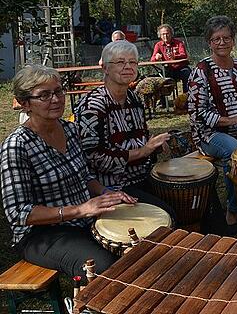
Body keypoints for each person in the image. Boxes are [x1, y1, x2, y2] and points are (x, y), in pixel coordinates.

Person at [1, 65, 137, 278]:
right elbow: (18, 213)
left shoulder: (69, 129)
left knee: (140, 247)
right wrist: (80, 210)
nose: (55, 99)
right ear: (25, 103)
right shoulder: (17, 145)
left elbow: (84, 176)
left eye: (58, 91)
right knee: (103, 267)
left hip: (83, 219)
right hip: (43, 234)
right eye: (44, 95)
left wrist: (105, 193)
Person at [187, 16, 237, 229]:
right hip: (210, 134)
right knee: (234, 152)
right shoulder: (201, 70)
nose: (222, 42)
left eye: (226, 38)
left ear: (233, 41)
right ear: (209, 42)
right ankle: (234, 209)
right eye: (216, 39)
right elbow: (196, 112)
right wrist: (228, 120)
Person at [75, 41, 174, 217]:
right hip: (112, 185)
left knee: (192, 191)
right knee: (166, 213)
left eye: (133, 62)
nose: (128, 67)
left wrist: (154, 144)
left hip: (143, 176)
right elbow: (93, 157)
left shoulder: (134, 99)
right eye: (120, 62)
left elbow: (138, 137)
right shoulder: (92, 106)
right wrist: (143, 151)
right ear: (105, 68)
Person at [151, 24, 192, 93]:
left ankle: (187, 98)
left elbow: (184, 55)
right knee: (160, 80)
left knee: (188, 74)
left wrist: (175, 56)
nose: (165, 36)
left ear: (171, 34)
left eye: (167, 33)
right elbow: (152, 60)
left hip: (181, 68)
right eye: (163, 34)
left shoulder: (179, 43)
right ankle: (164, 102)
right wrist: (156, 57)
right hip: (168, 69)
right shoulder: (158, 45)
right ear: (160, 36)